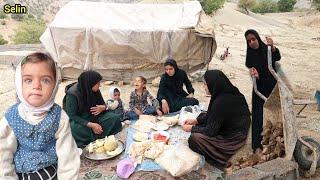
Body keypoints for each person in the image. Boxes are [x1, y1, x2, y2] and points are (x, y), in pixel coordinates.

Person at [0, 52, 80, 179]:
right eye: (28, 80)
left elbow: (68, 156)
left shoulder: (59, 117)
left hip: (51, 171)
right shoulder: (11, 118)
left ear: (54, 85)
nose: (36, 86)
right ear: (19, 83)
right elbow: (3, 156)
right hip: (22, 174)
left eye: (45, 80)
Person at [182, 70, 251, 170]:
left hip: (234, 139)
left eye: (205, 84)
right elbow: (212, 115)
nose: (204, 87)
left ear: (212, 84)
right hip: (236, 129)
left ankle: (219, 159)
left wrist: (191, 128)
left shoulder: (221, 102)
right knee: (202, 116)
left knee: (194, 139)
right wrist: (196, 121)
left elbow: (211, 131)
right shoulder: (229, 92)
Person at [245, 29, 281, 152]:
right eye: (249, 41)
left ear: (257, 38)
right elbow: (250, 66)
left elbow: (277, 57)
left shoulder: (267, 49)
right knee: (257, 115)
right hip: (259, 88)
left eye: (253, 39)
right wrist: (254, 74)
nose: (251, 42)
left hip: (271, 86)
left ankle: (276, 141)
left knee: (274, 114)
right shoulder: (250, 55)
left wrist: (273, 47)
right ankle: (257, 145)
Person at [65, 70, 122, 147]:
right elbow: (72, 115)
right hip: (81, 120)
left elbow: (103, 104)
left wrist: (103, 107)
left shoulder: (94, 89)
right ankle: (96, 137)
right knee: (74, 129)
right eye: (98, 83)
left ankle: (96, 135)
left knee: (114, 117)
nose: (100, 85)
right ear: (90, 83)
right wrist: (91, 125)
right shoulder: (72, 94)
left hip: (95, 116)